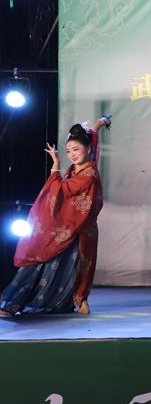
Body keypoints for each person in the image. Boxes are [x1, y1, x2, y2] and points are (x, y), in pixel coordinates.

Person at [0, 116, 111, 316]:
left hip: (79, 231)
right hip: (67, 227)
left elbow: (59, 189)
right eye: (68, 151)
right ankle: (13, 303)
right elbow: (94, 137)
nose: (72, 155)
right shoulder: (85, 163)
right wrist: (99, 123)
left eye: (75, 149)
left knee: (75, 269)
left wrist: (56, 164)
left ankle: (79, 299)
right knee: (43, 262)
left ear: (87, 149)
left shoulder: (88, 176)